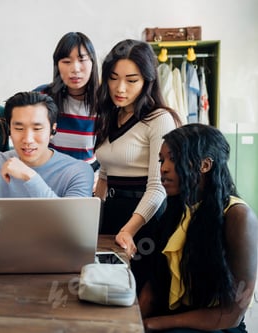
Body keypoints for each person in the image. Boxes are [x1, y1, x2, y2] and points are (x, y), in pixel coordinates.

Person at [139, 124, 257, 332]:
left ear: (205, 165)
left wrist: (154, 323)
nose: (164, 168)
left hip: (218, 325)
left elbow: (233, 313)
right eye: (162, 160)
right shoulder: (176, 209)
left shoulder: (238, 216)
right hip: (173, 320)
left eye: (173, 159)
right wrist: (131, 321)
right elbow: (154, 285)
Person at [94, 39, 181, 293]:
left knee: (137, 291)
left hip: (144, 219)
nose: (120, 88)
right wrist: (90, 217)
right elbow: (104, 174)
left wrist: (129, 230)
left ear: (147, 81)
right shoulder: (112, 115)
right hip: (111, 214)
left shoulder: (159, 118)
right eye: (113, 78)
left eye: (131, 80)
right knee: (104, 287)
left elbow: (158, 187)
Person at [0, 91, 93, 216]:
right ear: (9, 129)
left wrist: (29, 176)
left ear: (53, 130)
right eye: (19, 128)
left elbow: (71, 225)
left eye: (37, 129)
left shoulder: (78, 171)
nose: (27, 139)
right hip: (1, 247)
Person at [34, 31, 100, 173]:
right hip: (47, 177)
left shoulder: (104, 102)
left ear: (92, 62)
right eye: (66, 61)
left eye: (82, 60)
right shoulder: (41, 97)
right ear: (57, 65)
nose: (75, 69)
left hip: (86, 179)